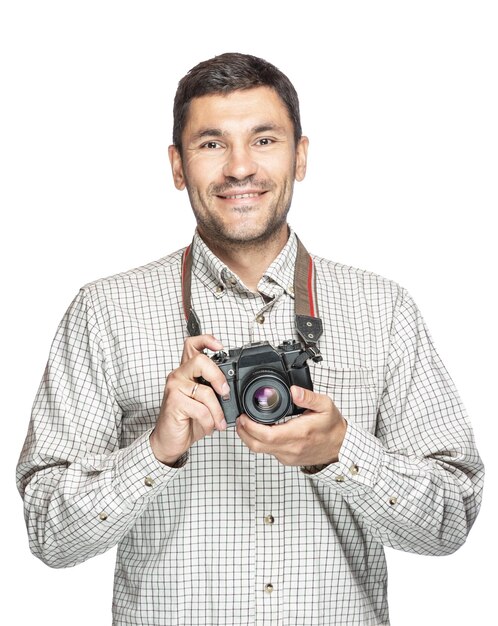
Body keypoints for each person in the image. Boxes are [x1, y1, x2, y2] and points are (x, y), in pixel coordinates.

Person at [17, 52, 484, 626]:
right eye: (211, 144)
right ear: (177, 166)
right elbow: (47, 534)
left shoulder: (383, 310)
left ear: (301, 156)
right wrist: (155, 452)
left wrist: (341, 453)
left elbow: (452, 520)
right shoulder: (104, 312)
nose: (240, 168)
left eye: (264, 140)